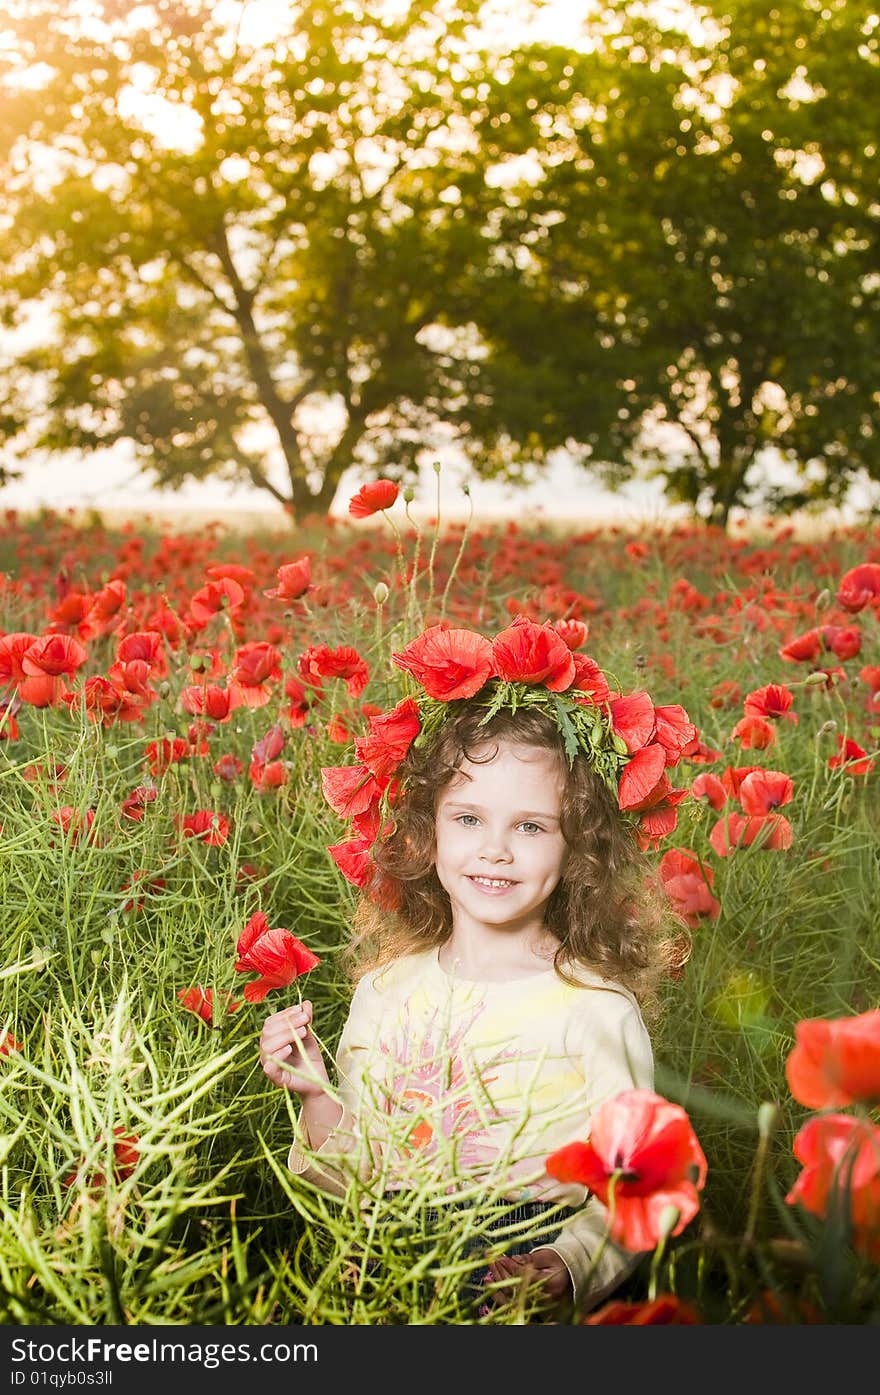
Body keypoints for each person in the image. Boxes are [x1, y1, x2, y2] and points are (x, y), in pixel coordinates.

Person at [259, 618, 694, 1320]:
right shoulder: (385, 992)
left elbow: (637, 1182)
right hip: (390, 1256)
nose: (495, 849)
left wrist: (570, 1260)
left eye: (529, 825)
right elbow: (352, 1178)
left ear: (578, 846)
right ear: (427, 832)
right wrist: (312, 1089)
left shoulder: (593, 1008)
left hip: (520, 1259)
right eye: (467, 818)